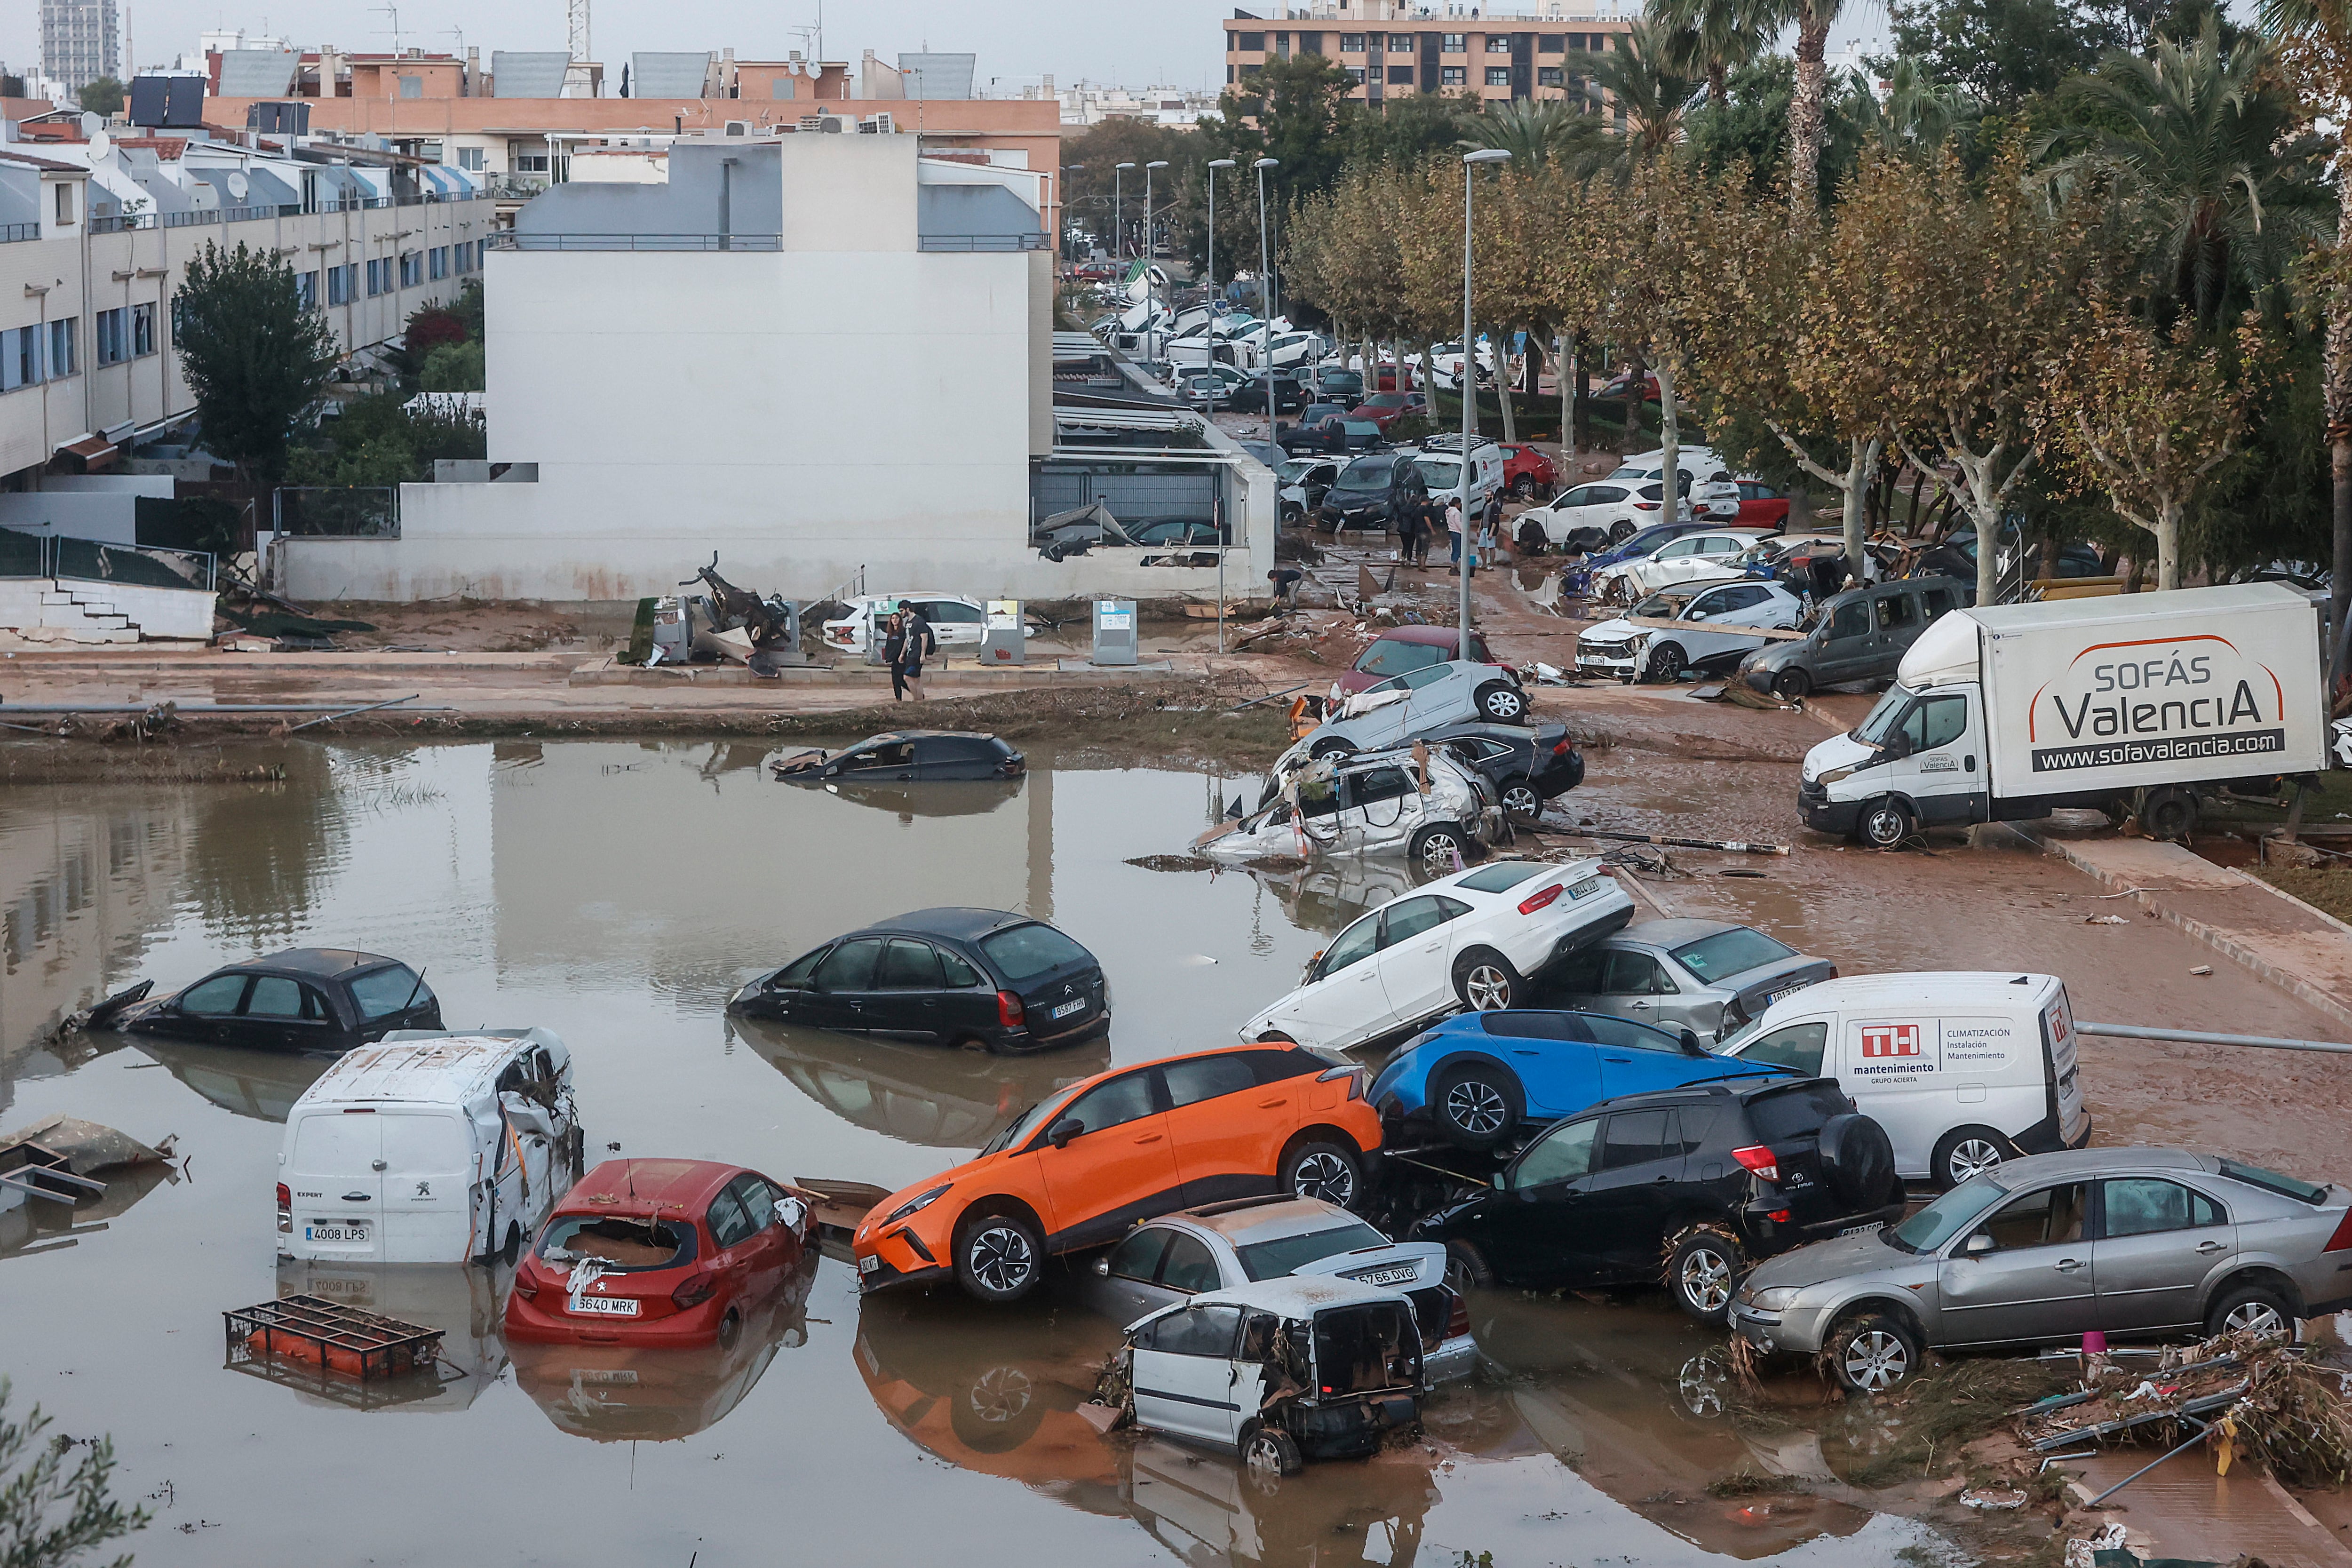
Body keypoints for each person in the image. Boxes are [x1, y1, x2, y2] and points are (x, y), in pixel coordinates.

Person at [895, 598, 936, 701]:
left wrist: (923, 654)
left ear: (908, 609)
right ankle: (920, 700)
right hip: (910, 653)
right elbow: (907, 639)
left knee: (907, 678)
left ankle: (917, 699)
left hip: (916, 655)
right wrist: (902, 653)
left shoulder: (919, 621)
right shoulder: (908, 622)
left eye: (902, 611)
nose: (901, 613)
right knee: (916, 680)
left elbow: (924, 638)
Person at [881, 611, 910, 701]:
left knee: (901, 680)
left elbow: (900, 646)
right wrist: (887, 657)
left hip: (901, 659)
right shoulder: (890, 632)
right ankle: (898, 700)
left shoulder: (903, 631)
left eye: (897, 618)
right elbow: (888, 645)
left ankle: (916, 692)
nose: (895, 620)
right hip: (893, 660)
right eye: (893, 618)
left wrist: (897, 656)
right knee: (895, 681)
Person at [1446, 496, 1467, 574]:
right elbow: (1458, 522)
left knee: (1455, 550)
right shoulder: (1457, 512)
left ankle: (1454, 566)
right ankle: (1453, 567)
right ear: (1457, 504)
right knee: (1458, 550)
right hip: (1457, 532)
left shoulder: (1448, 511)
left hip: (1451, 531)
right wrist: (1464, 531)